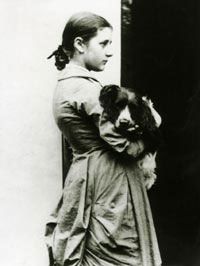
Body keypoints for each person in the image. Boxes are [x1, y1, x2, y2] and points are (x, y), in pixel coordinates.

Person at [45, 11, 162, 266]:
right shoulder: (83, 89)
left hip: (92, 177)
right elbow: (126, 147)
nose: (110, 52)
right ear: (79, 44)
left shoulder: (69, 85)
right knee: (119, 251)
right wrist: (151, 131)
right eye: (104, 43)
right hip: (108, 181)